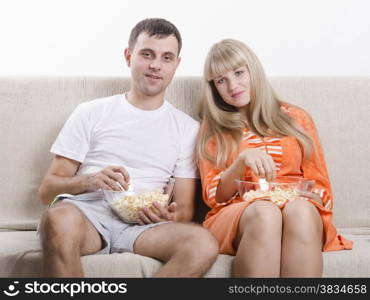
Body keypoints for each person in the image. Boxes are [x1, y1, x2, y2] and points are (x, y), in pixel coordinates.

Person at [37, 18, 219, 277]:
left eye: (167, 58)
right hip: (88, 216)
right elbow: (47, 192)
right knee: (57, 219)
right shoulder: (90, 112)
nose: (156, 65)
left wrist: (168, 214)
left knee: (202, 243)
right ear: (128, 56)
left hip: (144, 226)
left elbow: (186, 210)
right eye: (147, 54)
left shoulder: (187, 129)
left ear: (176, 65)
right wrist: (91, 180)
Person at [196, 39, 352, 278]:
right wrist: (241, 162)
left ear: (253, 70)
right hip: (239, 212)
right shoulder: (213, 129)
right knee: (265, 212)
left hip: (298, 207)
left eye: (239, 73)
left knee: (299, 211)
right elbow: (215, 197)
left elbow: (322, 189)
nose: (232, 85)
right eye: (221, 80)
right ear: (214, 87)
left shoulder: (296, 118)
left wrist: (302, 195)